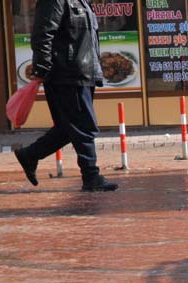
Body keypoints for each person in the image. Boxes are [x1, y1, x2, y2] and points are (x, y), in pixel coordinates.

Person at [13, 0, 118, 191]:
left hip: (84, 72)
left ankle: (29, 155)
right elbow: (42, 34)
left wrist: (95, 71)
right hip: (66, 74)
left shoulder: (82, 2)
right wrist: (42, 68)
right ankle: (91, 176)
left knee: (68, 127)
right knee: (84, 126)